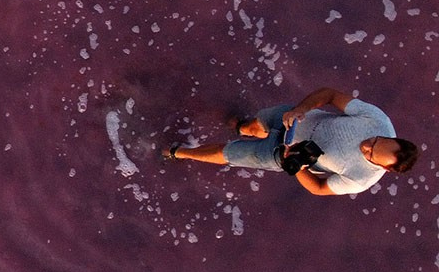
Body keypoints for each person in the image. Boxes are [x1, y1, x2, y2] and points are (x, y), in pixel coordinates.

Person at [165, 86, 419, 195]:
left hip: (284, 155)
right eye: (375, 141)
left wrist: (297, 166)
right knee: (253, 126)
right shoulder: (378, 120)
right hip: (294, 118)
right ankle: (243, 126)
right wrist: (301, 109)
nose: (366, 145)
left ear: (384, 168)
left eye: (370, 154)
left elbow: (319, 188)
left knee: (228, 153)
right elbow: (330, 95)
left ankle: (180, 152)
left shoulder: (361, 179)